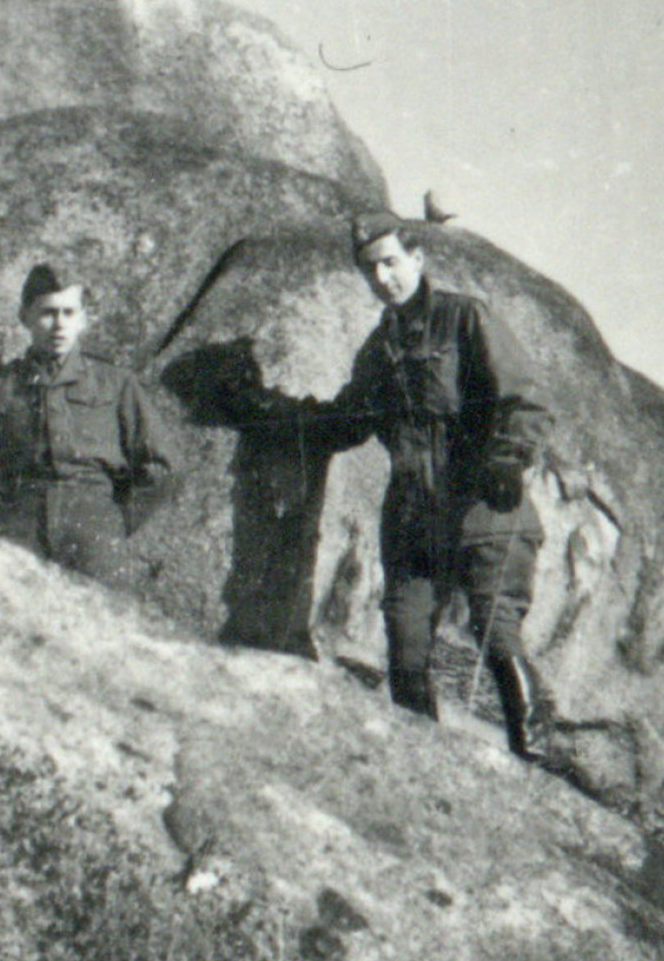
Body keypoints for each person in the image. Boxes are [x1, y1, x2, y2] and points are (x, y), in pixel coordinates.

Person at [225, 212, 558, 760]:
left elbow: (526, 398)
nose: (382, 278)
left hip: (484, 506)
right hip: (413, 521)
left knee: (497, 634)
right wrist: (266, 411)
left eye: (390, 263)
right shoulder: (380, 351)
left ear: (417, 260)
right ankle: (420, 767)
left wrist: (507, 458)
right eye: (370, 269)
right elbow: (344, 423)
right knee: (405, 645)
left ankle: (537, 758)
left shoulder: (464, 319)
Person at [0, 266, 183, 577]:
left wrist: (117, 519)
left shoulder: (115, 383)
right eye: (47, 313)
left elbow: (168, 468)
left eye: (69, 312)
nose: (59, 325)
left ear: (83, 318)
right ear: (24, 316)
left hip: (93, 525)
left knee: (105, 618)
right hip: (18, 527)